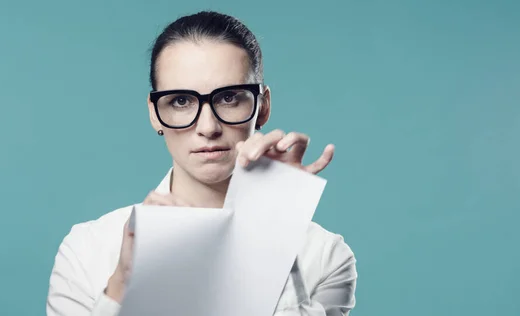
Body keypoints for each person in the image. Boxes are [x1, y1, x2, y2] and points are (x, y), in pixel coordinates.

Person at [46, 10, 357, 316]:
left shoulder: (326, 257)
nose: (208, 127)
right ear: (155, 113)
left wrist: (271, 225)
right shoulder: (87, 251)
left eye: (229, 98)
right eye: (181, 101)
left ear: (263, 107)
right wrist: (121, 286)